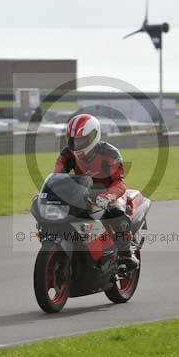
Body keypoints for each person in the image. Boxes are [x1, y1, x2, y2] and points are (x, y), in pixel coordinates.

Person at [53, 113, 138, 270]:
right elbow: (56, 178)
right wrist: (47, 194)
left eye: (81, 140)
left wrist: (108, 196)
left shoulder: (109, 153)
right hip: (82, 193)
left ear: (94, 136)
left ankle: (126, 253)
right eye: (73, 141)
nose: (77, 145)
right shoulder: (67, 154)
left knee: (117, 213)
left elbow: (119, 182)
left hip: (109, 193)